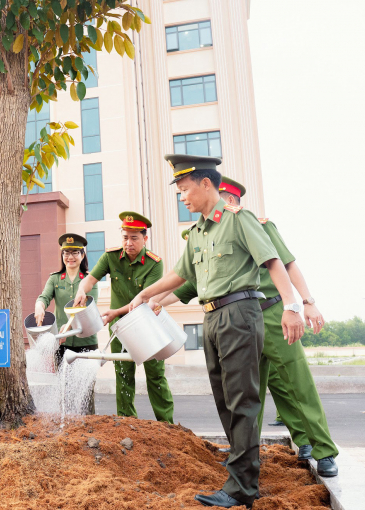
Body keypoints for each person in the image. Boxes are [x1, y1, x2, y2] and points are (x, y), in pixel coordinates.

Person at [128, 155, 305, 509]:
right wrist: (145, 293)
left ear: (205, 184)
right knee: (225, 400)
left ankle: (242, 488)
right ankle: (242, 467)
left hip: (239, 313)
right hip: (211, 318)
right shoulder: (197, 232)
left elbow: (272, 261)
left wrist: (292, 305)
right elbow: (181, 275)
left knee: (242, 399)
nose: (182, 197)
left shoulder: (239, 220)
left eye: (184, 189)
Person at [158, 176, 338, 478]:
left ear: (230, 201)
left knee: (296, 385)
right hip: (240, 322)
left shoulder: (258, 225)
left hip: (271, 313)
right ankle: (246, 455)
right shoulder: (207, 234)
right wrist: (153, 300)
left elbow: (287, 263)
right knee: (246, 394)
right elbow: (190, 282)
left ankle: (322, 449)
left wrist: (305, 302)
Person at [73, 212, 174, 423]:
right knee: (123, 375)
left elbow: (145, 301)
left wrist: (115, 313)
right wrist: (82, 289)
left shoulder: (155, 263)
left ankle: (167, 425)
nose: (128, 243)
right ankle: (127, 423)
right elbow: (90, 279)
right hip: (119, 329)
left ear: (145, 239)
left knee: (155, 376)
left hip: (147, 326)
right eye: (125, 237)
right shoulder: (111, 256)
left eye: (134, 238)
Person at [34, 234, 98, 414]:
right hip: (63, 343)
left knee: (86, 390)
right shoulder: (55, 279)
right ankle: (68, 425)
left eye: (75, 252)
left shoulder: (90, 279)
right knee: (65, 387)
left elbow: (88, 305)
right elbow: (44, 297)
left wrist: (70, 325)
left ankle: (88, 425)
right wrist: (40, 306)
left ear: (82, 255)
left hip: (86, 341)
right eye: (66, 252)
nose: (70, 257)